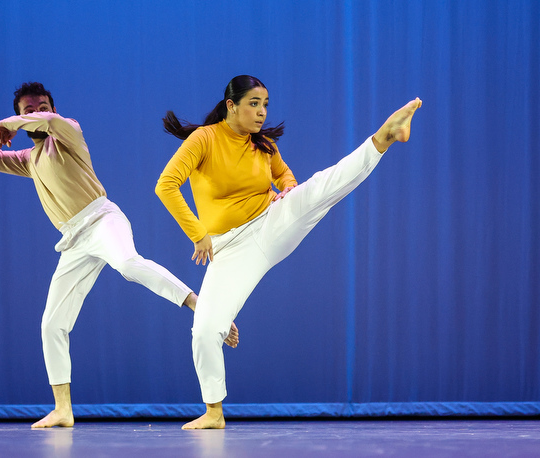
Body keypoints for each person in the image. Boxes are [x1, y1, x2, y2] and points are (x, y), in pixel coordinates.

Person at [155, 75, 422, 429]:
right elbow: (166, 185)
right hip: (230, 248)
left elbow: (285, 177)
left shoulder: (262, 144)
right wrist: (198, 233)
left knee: (320, 188)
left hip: (271, 222)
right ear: (231, 105)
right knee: (205, 330)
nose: (262, 112)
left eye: (265, 104)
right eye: (254, 104)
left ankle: (384, 137)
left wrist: (289, 191)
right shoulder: (204, 139)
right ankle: (214, 412)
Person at [0, 82, 239, 428]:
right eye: (29, 110)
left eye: (43, 107)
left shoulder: (67, 133)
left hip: (101, 219)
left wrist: (14, 122)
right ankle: (63, 409)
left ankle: (195, 302)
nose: (37, 114)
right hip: (73, 241)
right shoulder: (29, 158)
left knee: (128, 263)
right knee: (52, 324)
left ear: (52, 109)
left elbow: (54, 123)